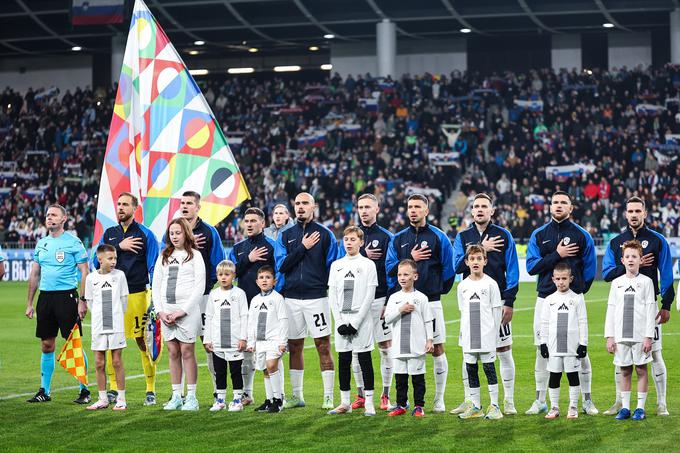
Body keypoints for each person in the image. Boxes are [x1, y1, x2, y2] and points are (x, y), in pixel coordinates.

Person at [525, 190, 598, 416]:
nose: (558, 205)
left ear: (570, 207)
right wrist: (556, 254)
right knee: (542, 350)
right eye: (555, 202)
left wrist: (578, 292)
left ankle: (587, 400)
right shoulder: (539, 235)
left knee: (581, 352)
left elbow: (590, 268)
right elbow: (531, 267)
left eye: (563, 202)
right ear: (550, 207)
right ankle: (540, 400)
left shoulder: (582, 235)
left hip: (573, 298)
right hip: (545, 298)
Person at [602, 196, 675, 416]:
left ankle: (661, 402)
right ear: (625, 214)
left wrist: (667, 304)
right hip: (624, 308)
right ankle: (619, 402)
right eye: (630, 211)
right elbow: (606, 273)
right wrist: (635, 265)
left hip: (648, 308)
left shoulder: (657, 240)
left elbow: (667, 275)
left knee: (655, 354)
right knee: (621, 359)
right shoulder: (616, 242)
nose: (633, 214)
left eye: (637, 211)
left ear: (644, 213)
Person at [385, 193, 454, 413]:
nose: (413, 210)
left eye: (417, 207)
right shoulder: (398, 239)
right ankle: (403, 400)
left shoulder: (439, 236)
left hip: (431, 302)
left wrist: (437, 290)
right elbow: (389, 268)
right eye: (410, 207)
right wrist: (410, 256)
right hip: (404, 303)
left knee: (437, 348)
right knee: (403, 350)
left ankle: (439, 399)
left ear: (426, 210)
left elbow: (449, 269)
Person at [452, 193, 519, 415]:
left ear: (492, 211)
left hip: (497, 301)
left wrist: (509, 301)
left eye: (484, 206)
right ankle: (470, 400)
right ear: (471, 211)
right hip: (472, 303)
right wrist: (481, 247)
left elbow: (512, 270)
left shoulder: (504, 235)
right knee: (469, 351)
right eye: (476, 206)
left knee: (503, 350)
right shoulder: (463, 236)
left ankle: (507, 400)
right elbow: (456, 267)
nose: (480, 210)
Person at [93, 192, 159, 405]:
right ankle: (113, 388)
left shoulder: (146, 234)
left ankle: (150, 389)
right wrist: (119, 248)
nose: (120, 208)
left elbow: (153, 266)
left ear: (134, 208)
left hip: (138, 294)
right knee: (111, 342)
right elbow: (97, 262)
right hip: (110, 296)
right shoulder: (110, 234)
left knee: (143, 341)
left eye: (125, 205)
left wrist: (154, 298)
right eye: (118, 204)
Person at [274, 192, 338, 409]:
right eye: (298, 203)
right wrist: (303, 247)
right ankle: (297, 396)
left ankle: (328, 395)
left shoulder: (326, 234)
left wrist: (322, 287)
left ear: (314, 206)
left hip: (317, 298)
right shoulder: (286, 236)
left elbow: (333, 268)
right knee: (294, 346)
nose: (300, 207)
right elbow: (281, 265)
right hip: (291, 299)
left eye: (305, 203)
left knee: (322, 345)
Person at [26, 204, 91, 404]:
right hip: (45, 298)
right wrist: (30, 303)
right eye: (47, 215)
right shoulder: (41, 244)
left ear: (64, 219)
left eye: (54, 215)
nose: (49, 218)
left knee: (74, 344)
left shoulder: (74, 242)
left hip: (67, 297)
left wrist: (82, 300)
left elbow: (84, 272)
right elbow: (35, 273)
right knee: (46, 344)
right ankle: (44, 390)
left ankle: (84, 390)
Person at [165, 191, 225, 400]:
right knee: (179, 347)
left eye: (189, 203)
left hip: (204, 298)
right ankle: (178, 395)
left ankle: (219, 390)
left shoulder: (209, 232)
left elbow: (219, 263)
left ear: (198, 207)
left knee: (209, 343)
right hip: (178, 301)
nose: (185, 206)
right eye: (182, 202)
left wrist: (205, 287)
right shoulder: (173, 231)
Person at [337, 194, 394, 411]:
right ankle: (360, 395)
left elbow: (391, 270)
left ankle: (385, 394)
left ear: (377, 209)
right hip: (355, 305)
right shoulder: (352, 236)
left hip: (379, 299)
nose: (363, 211)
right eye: (360, 207)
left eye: (368, 207)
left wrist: (389, 300)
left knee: (385, 347)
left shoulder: (387, 237)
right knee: (354, 349)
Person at [153, 218, 206, 411]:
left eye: (178, 232)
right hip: (166, 312)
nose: (175, 236)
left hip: (186, 312)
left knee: (187, 351)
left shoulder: (195, 256)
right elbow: (156, 285)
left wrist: (182, 311)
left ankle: (192, 397)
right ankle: (176, 395)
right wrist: (160, 311)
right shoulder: (164, 256)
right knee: (173, 352)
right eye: (172, 233)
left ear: (186, 233)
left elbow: (199, 287)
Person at [228, 206, 278, 405]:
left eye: (253, 221)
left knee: (268, 351)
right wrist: (248, 260)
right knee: (246, 351)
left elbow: (279, 274)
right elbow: (231, 274)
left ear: (263, 223)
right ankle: (247, 394)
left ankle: (275, 395)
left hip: (266, 307)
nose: (249, 224)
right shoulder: (238, 248)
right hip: (243, 307)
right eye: (246, 221)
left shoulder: (273, 246)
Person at [327, 226, 378, 416]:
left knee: (365, 360)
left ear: (361, 242)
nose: (349, 242)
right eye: (346, 239)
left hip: (361, 319)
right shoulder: (336, 265)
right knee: (344, 360)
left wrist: (356, 322)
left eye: (353, 239)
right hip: (342, 318)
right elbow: (332, 294)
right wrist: (339, 321)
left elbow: (369, 295)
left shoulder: (368, 265)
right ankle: (345, 402)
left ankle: (370, 402)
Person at [605, 240, 656, 421]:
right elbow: (611, 309)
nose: (631, 259)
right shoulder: (616, 283)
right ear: (622, 260)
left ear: (641, 260)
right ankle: (625, 408)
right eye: (628, 256)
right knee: (625, 371)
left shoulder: (647, 282)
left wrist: (648, 336)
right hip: (620, 335)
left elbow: (651, 309)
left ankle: (640, 408)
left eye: (634, 256)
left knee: (641, 370)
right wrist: (609, 336)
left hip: (640, 335)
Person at [455, 245, 503, 420]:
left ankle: (495, 405)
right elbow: (463, 311)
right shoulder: (462, 286)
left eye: (479, 258)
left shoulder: (491, 284)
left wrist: (494, 334)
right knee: (471, 369)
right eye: (472, 259)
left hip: (486, 334)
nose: (475, 262)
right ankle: (476, 407)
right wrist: (462, 334)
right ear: (466, 262)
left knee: (489, 368)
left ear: (485, 261)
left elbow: (497, 311)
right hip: (469, 335)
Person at [384, 259, 433, 417]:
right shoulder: (394, 298)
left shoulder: (422, 298)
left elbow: (428, 320)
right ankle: (401, 405)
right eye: (399, 274)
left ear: (415, 277)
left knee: (418, 378)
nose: (402, 278)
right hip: (398, 346)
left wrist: (430, 340)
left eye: (406, 274)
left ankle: (419, 406)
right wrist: (401, 310)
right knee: (400, 378)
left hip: (416, 345)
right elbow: (387, 319)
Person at [539, 262, 588, 420]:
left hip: (571, 347)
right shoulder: (549, 300)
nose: (561, 282)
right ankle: (554, 407)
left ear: (570, 279)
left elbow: (582, 322)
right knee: (554, 376)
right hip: (553, 347)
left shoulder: (577, 299)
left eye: (564, 278)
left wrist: (583, 343)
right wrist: (543, 343)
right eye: (558, 278)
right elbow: (544, 323)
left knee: (573, 376)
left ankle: (573, 406)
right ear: (553, 279)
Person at [84, 244, 129, 411]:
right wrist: (99, 316)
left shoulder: (120, 276)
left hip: (116, 324)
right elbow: (90, 302)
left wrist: (116, 315)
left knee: (116, 361)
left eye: (115, 258)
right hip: (98, 326)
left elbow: (124, 301)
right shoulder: (91, 278)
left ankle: (121, 399)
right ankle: (102, 399)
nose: (114, 261)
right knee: (99, 363)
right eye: (110, 258)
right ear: (100, 259)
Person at [204, 260, 248, 412]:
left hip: (235, 342)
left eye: (227, 275)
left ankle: (237, 399)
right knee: (219, 372)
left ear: (234, 276)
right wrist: (207, 339)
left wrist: (243, 338)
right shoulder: (214, 294)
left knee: (236, 372)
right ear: (216, 276)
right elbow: (208, 317)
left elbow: (244, 316)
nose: (223, 278)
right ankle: (220, 399)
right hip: (217, 342)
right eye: (220, 274)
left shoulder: (239, 294)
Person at [247, 265, 289, 413]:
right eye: (261, 278)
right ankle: (269, 400)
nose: (264, 280)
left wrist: (282, 342)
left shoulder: (277, 299)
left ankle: (278, 400)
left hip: (274, 341)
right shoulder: (255, 300)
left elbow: (283, 320)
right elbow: (251, 322)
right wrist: (251, 342)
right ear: (257, 282)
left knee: (272, 366)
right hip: (260, 342)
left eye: (268, 277)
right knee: (265, 369)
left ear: (274, 281)